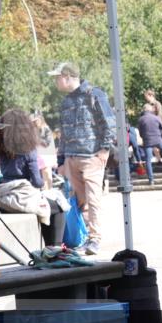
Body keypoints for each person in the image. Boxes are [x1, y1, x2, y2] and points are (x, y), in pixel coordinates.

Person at [49, 62, 116, 255]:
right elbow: (63, 133)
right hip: (71, 158)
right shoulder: (66, 102)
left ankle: (95, 239)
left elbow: (109, 124)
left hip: (91, 157)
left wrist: (104, 150)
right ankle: (83, 237)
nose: (55, 81)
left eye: (57, 77)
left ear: (68, 76)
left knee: (93, 199)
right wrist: (61, 161)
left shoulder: (95, 95)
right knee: (77, 201)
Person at [0, 109, 67, 246]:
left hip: (5, 199)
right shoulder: (29, 149)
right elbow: (37, 182)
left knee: (47, 204)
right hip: (23, 198)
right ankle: (54, 248)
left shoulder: (1, 149)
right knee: (58, 205)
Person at [136, 103, 162, 186]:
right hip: (158, 139)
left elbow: (140, 132)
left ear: (144, 110)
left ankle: (151, 180)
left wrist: (144, 138)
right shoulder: (156, 118)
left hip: (148, 141)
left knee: (148, 160)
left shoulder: (141, 119)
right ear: (150, 110)